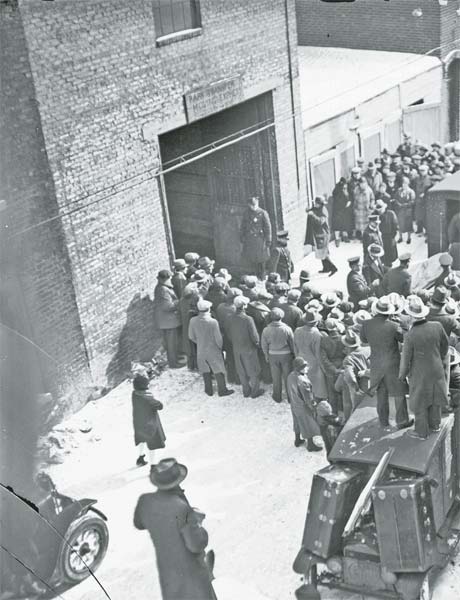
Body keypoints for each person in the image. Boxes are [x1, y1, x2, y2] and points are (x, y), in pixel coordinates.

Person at [134, 458, 217, 600]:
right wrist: (197, 523)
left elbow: (139, 523)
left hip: (167, 571)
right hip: (192, 572)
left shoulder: (145, 501)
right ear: (177, 480)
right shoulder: (181, 508)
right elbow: (196, 545)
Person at [399, 297, 449, 439]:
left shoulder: (410, 335)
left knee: (420, 399)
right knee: (436, 396)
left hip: (419, 372)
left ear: (411, 316)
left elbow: (405, 359)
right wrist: (438, 357)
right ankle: (435, 425)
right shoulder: (437, 326)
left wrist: (402, 375)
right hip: (436, 368)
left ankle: (421, 432)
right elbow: (445, 347)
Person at [361, 296, 411, 429]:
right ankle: (402, 420)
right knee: (399, 393)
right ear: (389, 312)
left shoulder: (366, 324)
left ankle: (383, 421)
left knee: (381, 394)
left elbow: (364, 340)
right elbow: (404, 339)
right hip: (393, 365)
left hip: (376, 364)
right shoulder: (394, 326)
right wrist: (402, 325)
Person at [188, 299, 234, 397]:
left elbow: (191, 336)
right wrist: (220, 347)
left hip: (200, 349)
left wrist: (199, 342)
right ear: (208, 309)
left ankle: (208, 390)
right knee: (218, 369)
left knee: (205, 370)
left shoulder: (193, 321)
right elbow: (218, 338)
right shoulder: (212, 322)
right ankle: (222, 390)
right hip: (213, 349)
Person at [229, 296, 264, 398]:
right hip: (249, 348)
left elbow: (229, 332)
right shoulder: (248, 319)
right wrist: (257, 344)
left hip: (236, 347)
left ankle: (246, 390)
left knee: (241, 370)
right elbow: (254, 335)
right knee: (253, 370)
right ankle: (255, 391)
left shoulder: (230, 317)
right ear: (244, 306)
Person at [286, 357, 322, 452]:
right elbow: (308, 398)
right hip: (303, 406)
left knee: (297, 422)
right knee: (308, 424)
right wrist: (313, 407)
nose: (307, 368)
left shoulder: (290, 376)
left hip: (294, 404)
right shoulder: (303, 381)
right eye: (304, 366)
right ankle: (310, 445)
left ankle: (297, 440)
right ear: (300, 368)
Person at [132, 371, 165, 467]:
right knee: (152, 445)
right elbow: (160, 406)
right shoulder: (148, 399)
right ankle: (153, 466)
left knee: (141, 440)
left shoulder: (134, 394)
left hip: (139, 423)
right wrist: (151, 396)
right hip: (150, 425)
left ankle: (140, 457)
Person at [294, 310, 328, 402]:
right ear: (315, 322)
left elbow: (295, 346)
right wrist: (322, 366)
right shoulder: (316, 333)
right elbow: (317, 352)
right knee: (316, 382)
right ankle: (315, 398)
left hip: (300, 356)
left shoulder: (297, 330)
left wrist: (297, 357)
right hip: (312, 360)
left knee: (303, 379)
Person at [261, 308, 295, 403]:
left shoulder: (266, 330)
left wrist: (266, 355)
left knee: (275, 377)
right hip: (286, 355)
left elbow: (264, 344)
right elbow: (292, 343)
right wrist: (294, 354)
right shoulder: (287, 329)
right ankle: (290, 397)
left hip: (273, 355)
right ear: (282, 316)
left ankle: (277, 396)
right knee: (288, 377)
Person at [153, 270, 183, 369]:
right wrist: (179, 302)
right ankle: (173, 363)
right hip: (168, 321)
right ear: (165, 279)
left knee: (172, 342)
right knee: (171, 343)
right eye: (169, 278)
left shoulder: (162, 288)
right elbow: (167, 307)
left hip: (167, 321)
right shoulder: (163, 290)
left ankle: (174, 358)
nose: (171, 279)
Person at [341, 330, 371, 421]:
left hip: (361, 388)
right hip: (375, 384)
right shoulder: (369, 349)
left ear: (346, 345)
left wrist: (356, 389)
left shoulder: (349, 359)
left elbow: (350, 378)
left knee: (357, 412)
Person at [240, 195, 272, 279]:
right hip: (250, 241)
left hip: (260, 241)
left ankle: (262, 277)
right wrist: (242, 237)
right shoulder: (246, 213)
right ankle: (253, 278)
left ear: (257, 204)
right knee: (251, 260)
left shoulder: (262, 213)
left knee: (261, 260)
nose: (253, 207)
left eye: (255, 205)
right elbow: (243, 226)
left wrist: (268, 240)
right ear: (249, 205)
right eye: (251, 205)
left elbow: (268, 227)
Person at [305, 196, 338, 276]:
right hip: (318, 234)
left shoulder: (323, 211)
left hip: (323, 235)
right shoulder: (317, 209)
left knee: (323, 253)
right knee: (320, 251)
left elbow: (320, 222)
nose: (315, 204)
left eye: (316, 203)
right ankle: (326, 268)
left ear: (320, 204)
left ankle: (333, 268)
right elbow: (312, 210)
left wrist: (312, 215)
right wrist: (308, 210)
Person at [215, 287, 242, 384]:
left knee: (230, 357)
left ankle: (231, 377)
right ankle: (239, 379)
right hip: (236, 336)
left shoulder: (220, 307)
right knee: (238, 358)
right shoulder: (235, 309)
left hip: (225, 335)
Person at [319, 319, 346, 413]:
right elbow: (348, 355)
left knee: (332, 393)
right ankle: (344, 411)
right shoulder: (343, 339)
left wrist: (334, 369)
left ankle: (334, 413)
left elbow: (324, 359)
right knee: (343, 391)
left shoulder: (324, 340)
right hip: (343, 368)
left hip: (330, 370)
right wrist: (341, 368)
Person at [375, 199, 399, 267]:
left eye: (381, 209)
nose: (380, 211)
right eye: (378, 209)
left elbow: (395, 225)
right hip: (380, 238)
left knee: (389, 257)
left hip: (389, 238)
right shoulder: (375, 215)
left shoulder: (390, 214)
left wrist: (393, 236)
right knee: (380, 256)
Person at [331, 177, 353, 244]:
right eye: (344, 185)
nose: (345, 186)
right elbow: (337, 200)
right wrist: (345, 204)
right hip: (338, 210)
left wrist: (350, 201)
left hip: (346, 210)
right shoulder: (337, 190)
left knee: (345, 223)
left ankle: (345, 236)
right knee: (337, 225)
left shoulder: (348, 188)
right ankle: (337, 239)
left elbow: (351, 196)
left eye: (346, 185)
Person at [413, 164, 432, 235]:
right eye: (420, 171)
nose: (422, 172)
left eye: (423, 171)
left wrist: (425, 194)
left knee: (425, 216)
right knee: (418, 215)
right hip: (418, 199)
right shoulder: (417, 178)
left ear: (427, 171)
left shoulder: (430, 178)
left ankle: (427, 231)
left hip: (426, 200)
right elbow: (414, 187)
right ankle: (419, 229)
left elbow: (430, 189)